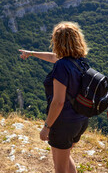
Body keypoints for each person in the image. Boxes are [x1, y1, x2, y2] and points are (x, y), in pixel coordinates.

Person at [19, 21, 89, 173]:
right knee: (66, 157)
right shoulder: (80, 61)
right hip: (81, 120)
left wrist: (47, 127)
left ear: (57, 42)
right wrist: (31, 53)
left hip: (64, 122)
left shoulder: (61, 67)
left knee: (60, 168)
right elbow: (53, 57)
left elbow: (58, 102)